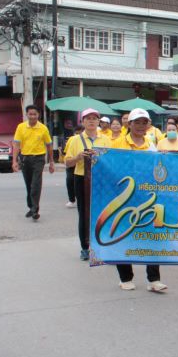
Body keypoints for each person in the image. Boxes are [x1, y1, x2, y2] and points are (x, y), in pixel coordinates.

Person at [112, 108, 167, 292]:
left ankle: (154, 279)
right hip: (124, 196)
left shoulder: (151, 144)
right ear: (130, 124)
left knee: (152, 236)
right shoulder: (118, 143)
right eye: (137, 122)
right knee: (123, 235)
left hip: (147, 196)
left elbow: (156, 168)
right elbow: (111, 166)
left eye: (145, 122)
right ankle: (125, 278)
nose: (141, 126)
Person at [64, 109, 112, 261]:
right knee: (84, 213)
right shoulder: (75, 140)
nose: (91, 121)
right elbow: (67, 162)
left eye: (94, 118)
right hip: (81, 178)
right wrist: (78, 157)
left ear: (99, 122)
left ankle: (103, 246)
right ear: (83, 121)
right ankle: (85, 247)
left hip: (101, 179)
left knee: (103, 213)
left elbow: (112, 160)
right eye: (88, 118)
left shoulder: (106, 139)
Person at [12, 105, 55, 221]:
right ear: (27, 114)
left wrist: (51, 162)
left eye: (34, 114)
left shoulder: (43, 128)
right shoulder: (21, 127)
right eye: (30, 114)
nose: (32, 116)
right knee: (29, 185)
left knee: (36, 184)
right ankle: (31, 207)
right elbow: (16, 144)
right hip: (25, 159)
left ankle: (35, 210)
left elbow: (49, 145)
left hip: (39, 159)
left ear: (38, 115)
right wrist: (14, 161)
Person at [63, 125, 85, 208]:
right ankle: (71, 199)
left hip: (81, 165)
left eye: (80, 133)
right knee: (69, 181)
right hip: (72, 163)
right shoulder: (72, 139)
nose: (78, 135)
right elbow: (66, 151)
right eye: (76, 133)